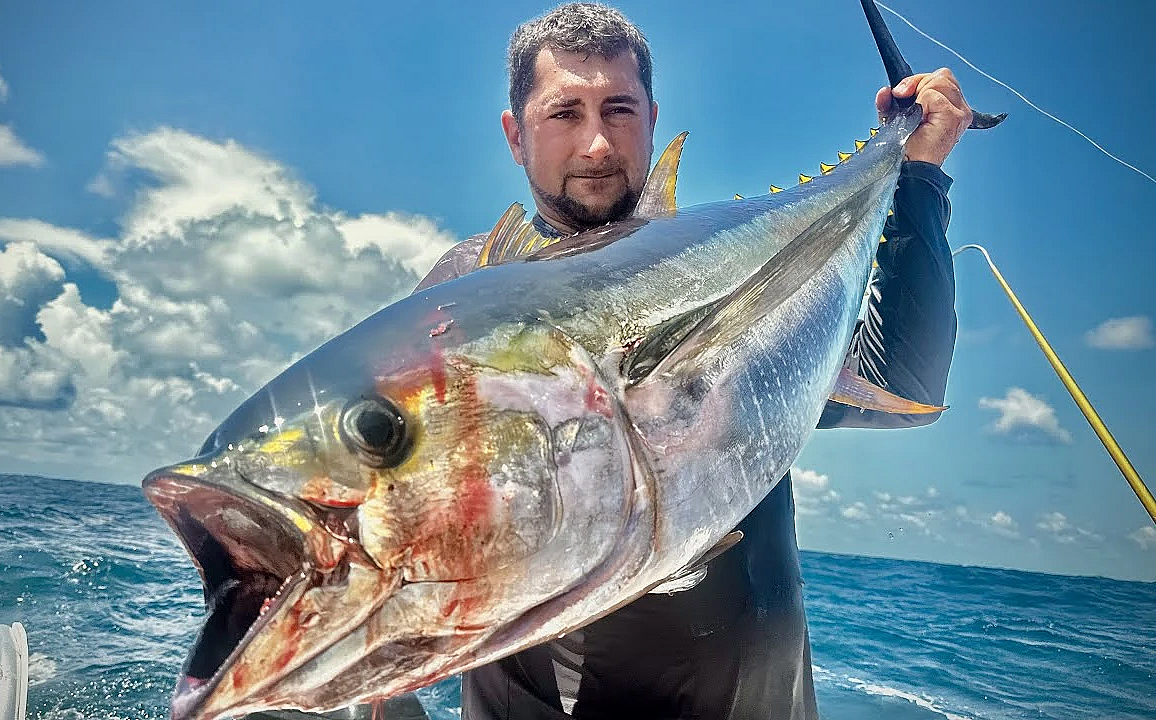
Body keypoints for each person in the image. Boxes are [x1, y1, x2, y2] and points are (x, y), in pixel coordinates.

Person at [414, 4, 971, 719]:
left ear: (652, 117)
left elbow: (902, 386)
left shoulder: (727, 281)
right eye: (564, 114)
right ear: (515, 134)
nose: (595, 145)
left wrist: (918, 175)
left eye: (618, 109)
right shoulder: (468, 294)